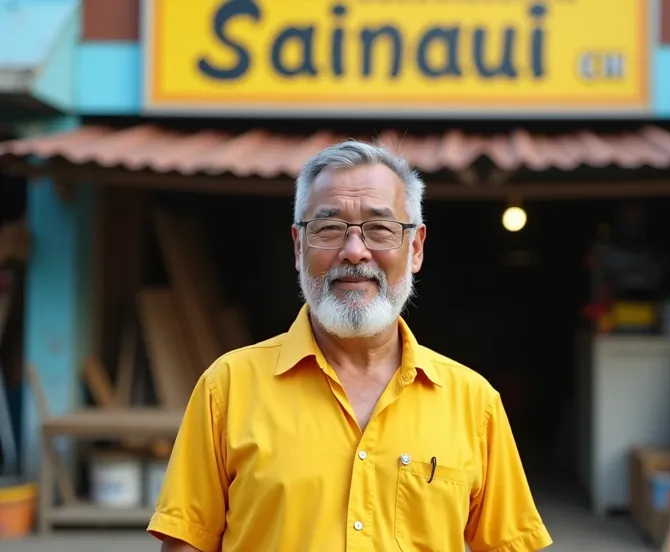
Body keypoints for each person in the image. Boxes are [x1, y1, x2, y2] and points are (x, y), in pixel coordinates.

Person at [147, 140, 553, 552]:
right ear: (298, 246)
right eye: (329, 228)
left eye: (379, 228)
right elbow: (187, 544)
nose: (355, 251)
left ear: (415, 248)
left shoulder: (473, 403)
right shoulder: (228, 388)